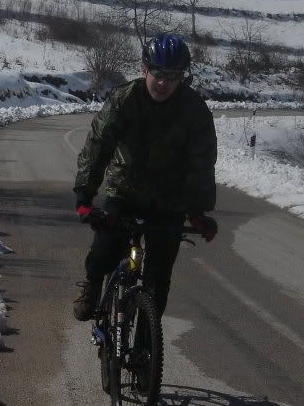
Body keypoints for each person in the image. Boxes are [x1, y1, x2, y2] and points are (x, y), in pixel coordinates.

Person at [72, 33, 218, 321]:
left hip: (169, 199)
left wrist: (197, 211)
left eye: (173, 76)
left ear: (182, 77)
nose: (164, 83)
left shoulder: (194, 111)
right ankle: (92, 284)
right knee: (106, 247)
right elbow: (97, 146)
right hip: (124, 189)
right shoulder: (124, 100)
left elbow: (201, 163)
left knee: (158, 277)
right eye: (158, 74)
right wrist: (84, 197)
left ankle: (145, 346)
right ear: (144, 69)